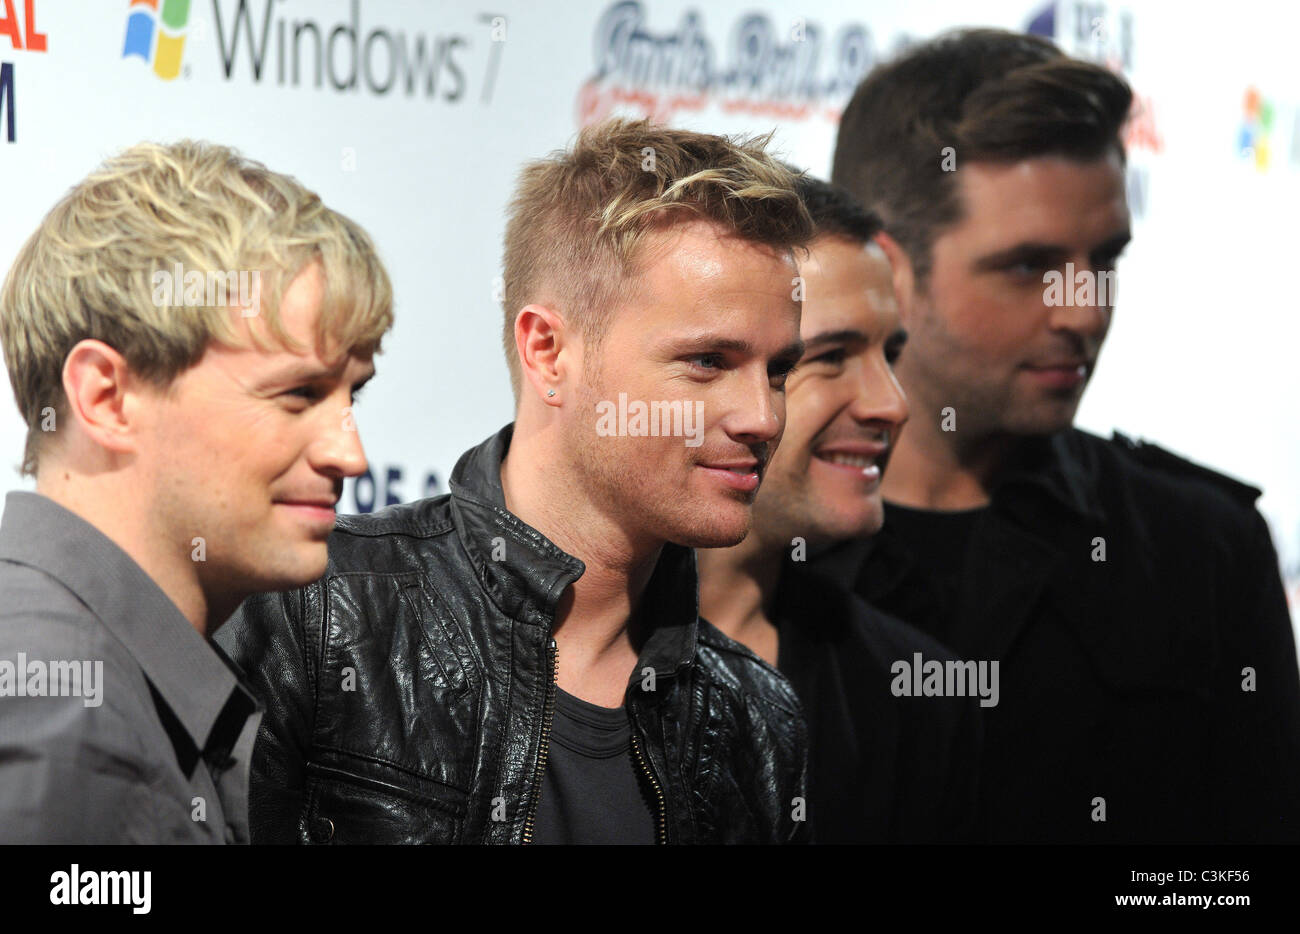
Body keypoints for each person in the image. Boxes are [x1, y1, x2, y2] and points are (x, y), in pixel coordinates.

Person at [217, 119, 814, 844]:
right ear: (549, 350)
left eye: (779, 371)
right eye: (708, 362)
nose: (761, 416)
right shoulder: (318, 615)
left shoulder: (756, 719)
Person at [819, 27, 1300, 842]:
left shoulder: (1204, 549)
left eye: (1103, 259)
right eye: (1030, 266)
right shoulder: (739, 556)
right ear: (885, 271)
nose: (1085, 312)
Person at [0, 140, 391, 843]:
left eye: (350, 396)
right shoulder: (68, 722)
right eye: (297, 393)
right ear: (107, 397)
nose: (349, 455)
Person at [697, 173, 981, 842]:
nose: (892, 404)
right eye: (829, 357)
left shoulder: (914, 696)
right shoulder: (510, 639)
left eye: (891, 355)